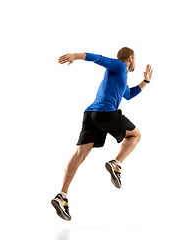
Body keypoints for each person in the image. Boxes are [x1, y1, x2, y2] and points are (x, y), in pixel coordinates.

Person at [51, 47, 153, 221]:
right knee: (135, 135)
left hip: (91, 115)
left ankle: (62, 195)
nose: (136, 61)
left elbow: (128, 94)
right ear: (130, 58)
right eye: (135, 58)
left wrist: (145, 81)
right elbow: (99, 58)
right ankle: (116, 163)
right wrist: (76, 56)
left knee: (79, 155)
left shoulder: (120, 77)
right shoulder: (120, 66)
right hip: (106, 113)